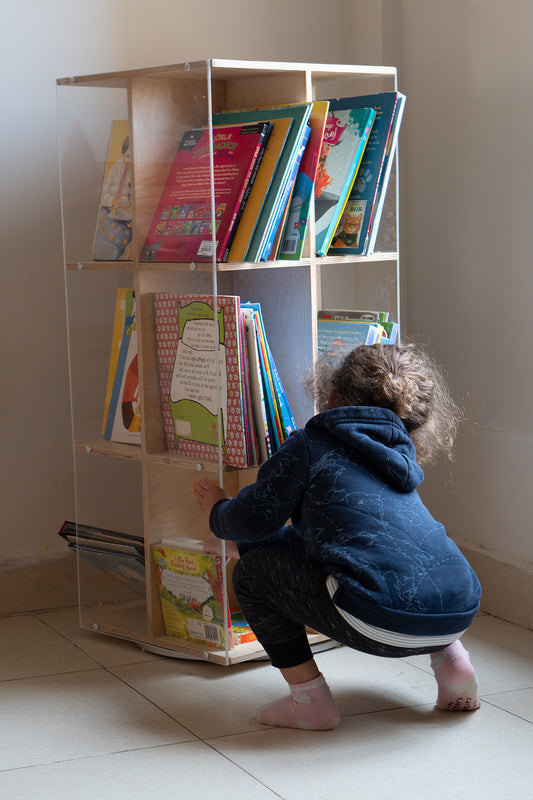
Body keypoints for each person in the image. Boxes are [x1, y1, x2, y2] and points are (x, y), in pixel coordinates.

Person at [193, 343, 481, 730]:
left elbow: (252, 518)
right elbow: (327, 545)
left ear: (329, 395)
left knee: (252, 576)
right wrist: (240, 546)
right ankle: (454, 665)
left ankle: (309, 702)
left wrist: (217, 510)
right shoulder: (400, 456)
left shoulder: (309, 445)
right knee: (393, 563)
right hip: (458, 609)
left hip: (379, 620)